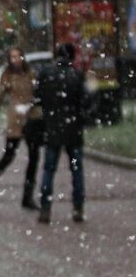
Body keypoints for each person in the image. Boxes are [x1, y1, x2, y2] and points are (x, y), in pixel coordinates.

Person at [0, 47, 42, 212]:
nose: (16, 60)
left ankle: (27, 197)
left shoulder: (30, 73)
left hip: (31, 119)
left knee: (34, 159)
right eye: (12, 57)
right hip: (15, 121)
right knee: (8, 157)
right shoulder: (7, 75)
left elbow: (37, 94)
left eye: (18, 56)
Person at [34, 43, 88, 224]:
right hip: (73, 133)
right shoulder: (77, 76)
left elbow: (37, 98)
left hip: (53, 131)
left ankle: (45, 208)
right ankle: (78, 207)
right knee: (76, 169)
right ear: (72, 57)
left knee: (49, 169)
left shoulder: (46, 74)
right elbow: (86, 101)